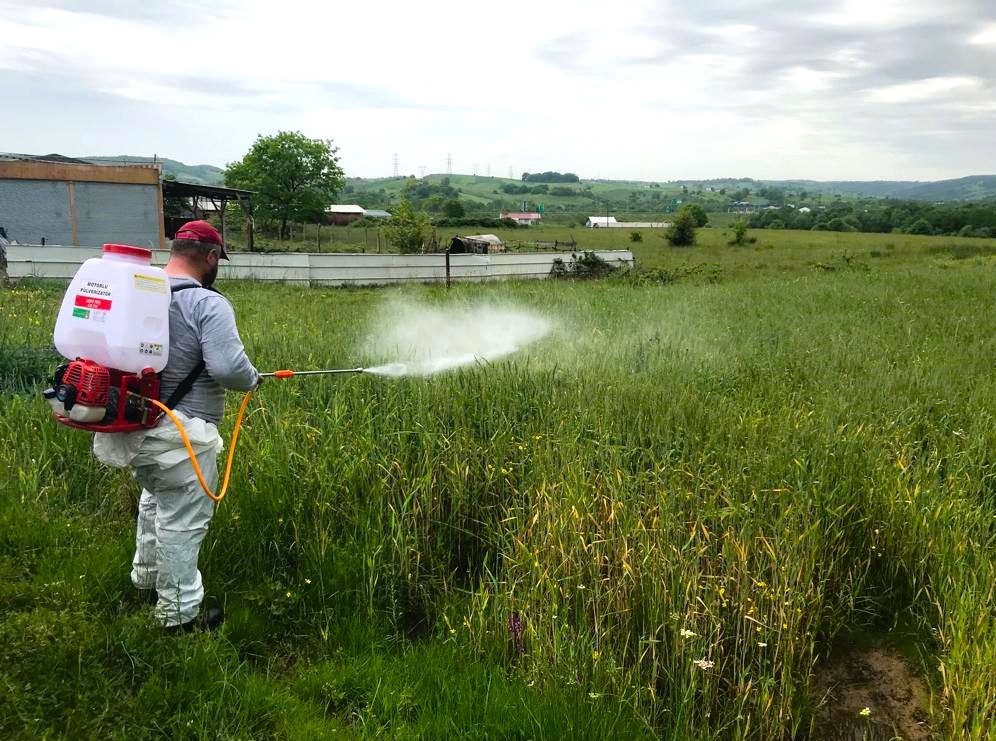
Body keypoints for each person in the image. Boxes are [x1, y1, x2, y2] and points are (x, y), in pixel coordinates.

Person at [94, 220, 260, 633]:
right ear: (208, 257)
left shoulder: (140, 291)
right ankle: (179, 616)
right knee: (183, 519)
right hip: (181, 432)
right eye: (217, 260)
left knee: (155, 500)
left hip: (133, 421)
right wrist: (251, 378)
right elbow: (228, 369)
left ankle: (145, 579)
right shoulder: (207, 303)